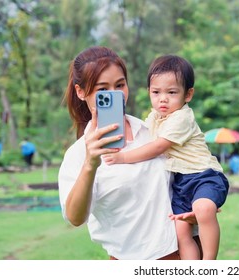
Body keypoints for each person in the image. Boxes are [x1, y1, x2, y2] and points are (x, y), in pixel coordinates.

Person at [57, 46, 180, 260]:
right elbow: (75, 218)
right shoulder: (77, 155)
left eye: (120, 85)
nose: (115, 95)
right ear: (80, 92)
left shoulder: (152, 132)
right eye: (102, 90)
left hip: (182, 255)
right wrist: (90, 164)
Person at [103, 55, 229, 260]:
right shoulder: (155, 116)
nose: (163, 99)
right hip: (180, 183)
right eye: (156, 92)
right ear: (149, 93)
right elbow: (141, 137)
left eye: (171, 92)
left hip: (203, 176)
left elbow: (158, 146)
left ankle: (209, 262)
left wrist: (123, 158)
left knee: (203, 209)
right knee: (181, 230)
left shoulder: (182, 117)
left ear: (188, 95)